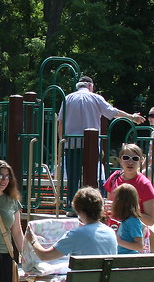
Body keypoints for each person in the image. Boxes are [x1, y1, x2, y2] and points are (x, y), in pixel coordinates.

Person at [58, 76, 144, 208]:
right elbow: (113, 112)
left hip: (71, 143)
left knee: (72, 178)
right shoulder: (95, 98)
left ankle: (71, 205)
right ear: (90, 86)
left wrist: (62, 142)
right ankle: (91, 207)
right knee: (92, 176)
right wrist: (131, 117)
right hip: (90, 145)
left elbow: (60, 122)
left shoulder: (67, 98)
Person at [102, 143, 154, 282]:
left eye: (135, 158)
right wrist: (111, 210)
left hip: (132, 239)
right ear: (120, 160)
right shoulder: (114, 179)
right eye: (126, 157)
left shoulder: (144, 184)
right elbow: (109, 208)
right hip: (117, 235)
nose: (130, 162)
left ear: (141, 161)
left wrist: (130, 212)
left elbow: (150, 220)